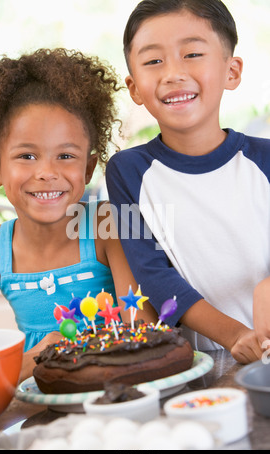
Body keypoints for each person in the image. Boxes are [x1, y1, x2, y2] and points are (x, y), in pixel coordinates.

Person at [0, 48, 157, 381]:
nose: (46, 172)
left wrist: (64, 348)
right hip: (36, 408)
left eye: (65, 156)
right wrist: (29, 363)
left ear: (87, 168)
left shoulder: (110, 224)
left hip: (121, 395)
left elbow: (142, 332)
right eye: (26, 156)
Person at [106, 0, 270, 363]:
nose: (173, 73)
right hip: (202, 363)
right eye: (153, 61)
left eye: (192, 53)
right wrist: (234, 335)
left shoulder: (266, 158)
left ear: (232, 71)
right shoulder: (126, 172)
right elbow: (151, 274)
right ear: (134, 87)